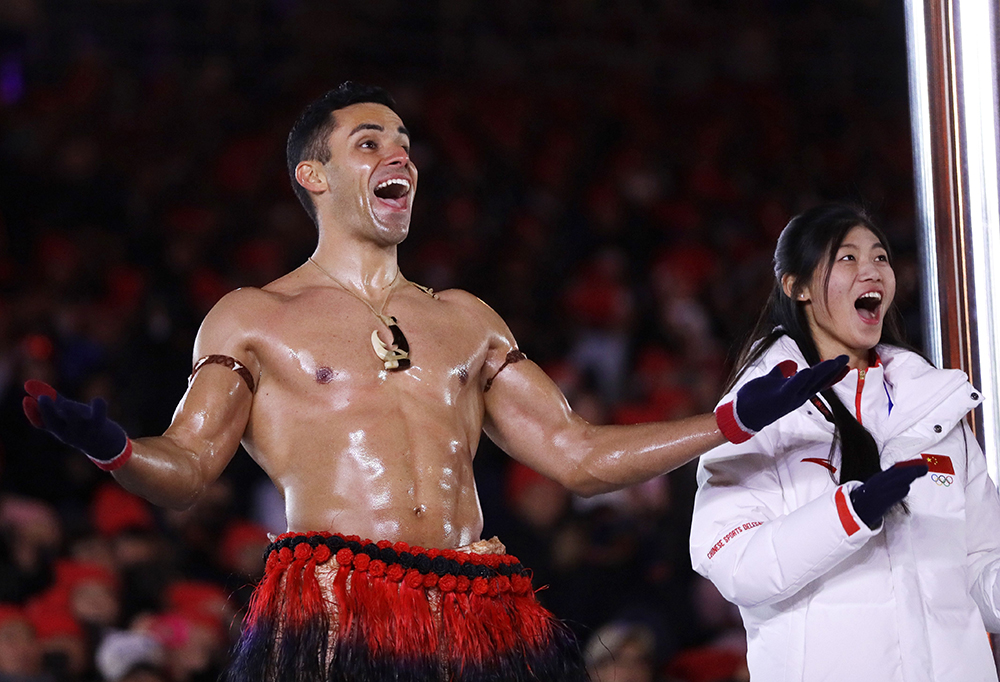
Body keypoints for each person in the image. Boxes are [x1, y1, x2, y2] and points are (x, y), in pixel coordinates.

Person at [22, 82, 845, 682]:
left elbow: (576, 455)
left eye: (406, 142)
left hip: (480, 612)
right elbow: (188, 470)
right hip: (343, 613)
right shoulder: (252, 316)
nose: (399, 156)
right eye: (370, 142)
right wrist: (115, 447)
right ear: (314, 176)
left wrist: (728, 423)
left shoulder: (466, 318)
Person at [689, 203, 1000, 681]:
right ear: (797, 287)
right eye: (847, 258)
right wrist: (846, 515)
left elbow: (979, 567)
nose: (871, 271)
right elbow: (733, 565)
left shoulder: (936, 409)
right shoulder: (759, 412)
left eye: (880, 257)